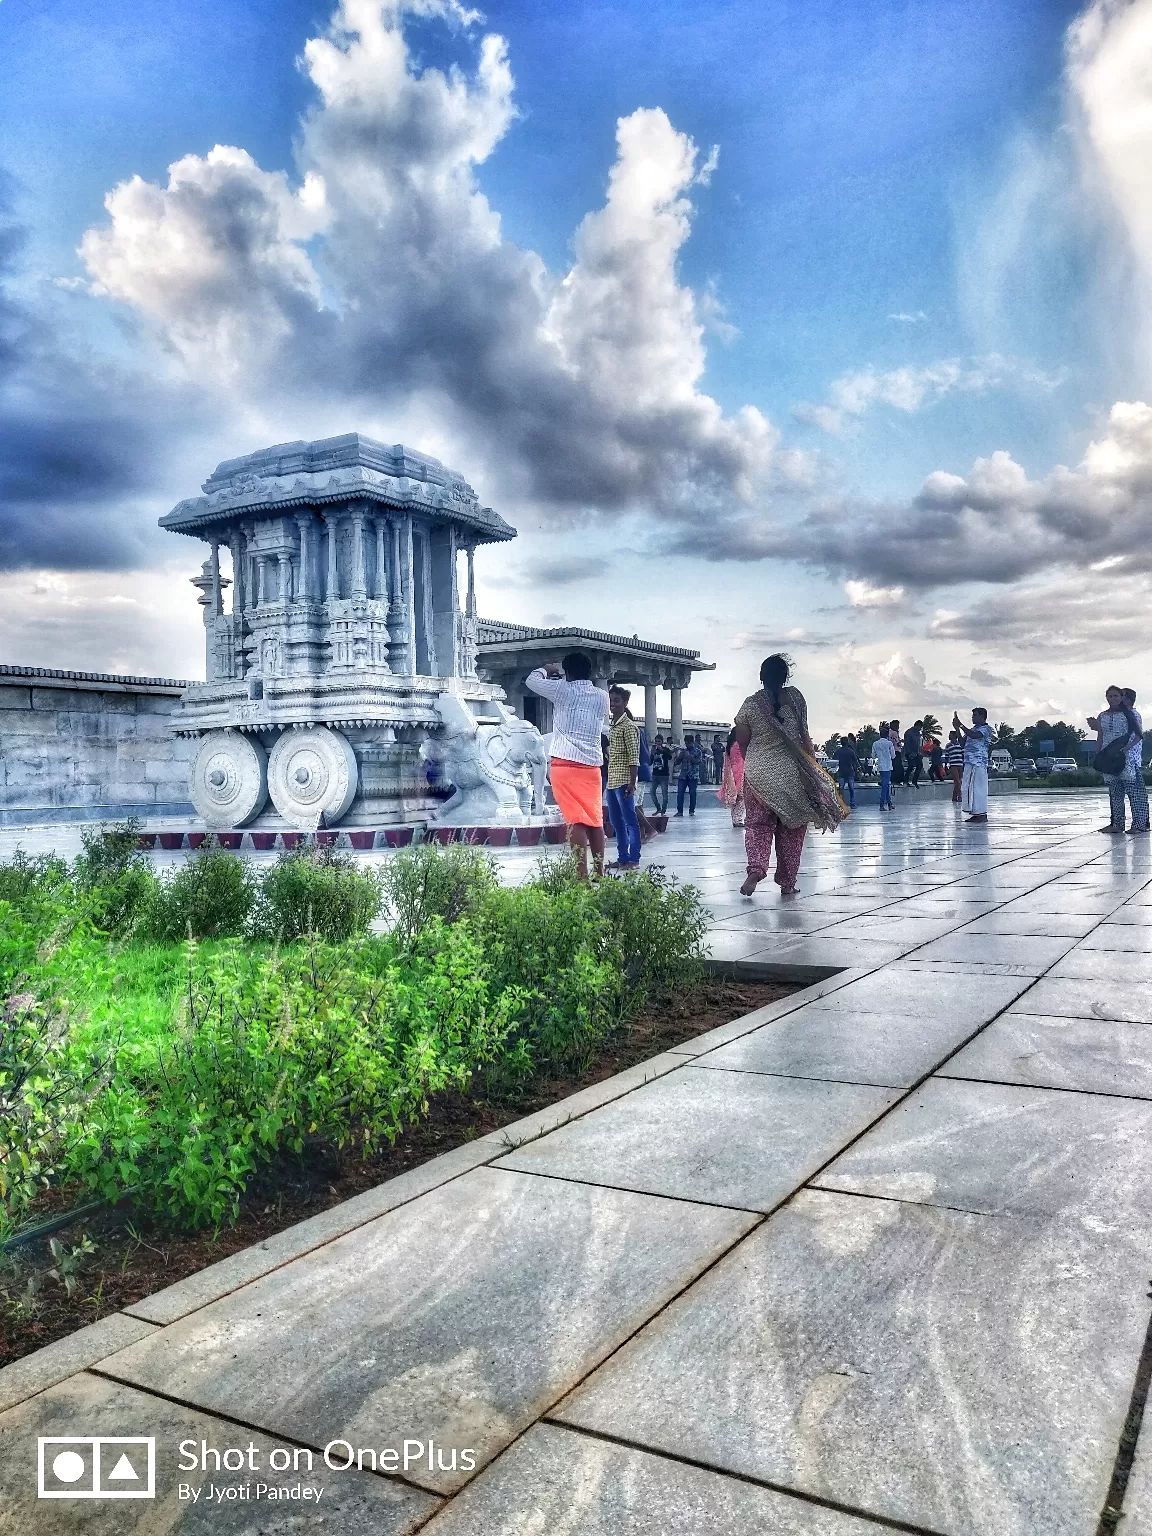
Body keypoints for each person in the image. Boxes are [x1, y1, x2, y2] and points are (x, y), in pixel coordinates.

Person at [731, 654, 848, 897]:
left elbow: (742, 743)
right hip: (792, 775)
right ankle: (787, 882)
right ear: (786, 677)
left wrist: (755, 762)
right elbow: (805, 736)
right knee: (793, 829)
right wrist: (812, 766)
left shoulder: (749, 705)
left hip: (758, 775)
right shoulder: (795, 698)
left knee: (757, 825)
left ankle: (756, 868)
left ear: (761, 676)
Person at [527, 653, 610, 879]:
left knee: (576, 819)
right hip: (593, 766)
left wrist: (546, 669)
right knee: (595, 819)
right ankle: (599, 871)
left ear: (568, 672)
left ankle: (581, 875)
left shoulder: (563, 690)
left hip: (565, 763)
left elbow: (531, 681)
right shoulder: (602, 696)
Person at [1088, 686, 1147, 834]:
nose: (1113, 699)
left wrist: (1126, 749)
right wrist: (1099, 753)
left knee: (1134, 792)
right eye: (1110, 696)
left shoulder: (1129, 714)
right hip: (1108, 756)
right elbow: (1101, 735)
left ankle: (1139, 825)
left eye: (1116, 696)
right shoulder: (1102, 715)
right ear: (1106, 697)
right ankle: (1117, 824)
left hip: (1126, 758)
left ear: (1121, 697)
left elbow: (1139, 735)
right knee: (1114, 791)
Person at [605, 685, 642, 870]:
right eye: (611, 701)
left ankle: (633, 860)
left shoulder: (629, 727)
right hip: (611, 782)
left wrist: (632, 782)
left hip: (624, 781)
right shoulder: (612, 726)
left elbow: (634, 757)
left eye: (617, 701)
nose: (613, 704)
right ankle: (622, 857)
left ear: (625, 703)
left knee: (630, 822)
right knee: (616, 822)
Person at [953, 707, 994, 822]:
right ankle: (976, 812)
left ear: (982, 716)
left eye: (975, 715)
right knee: (968, 787)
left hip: (979, 762)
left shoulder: (986, 729)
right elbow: (962, 743)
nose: (972, 718)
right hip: (969, 761)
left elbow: (975, 736)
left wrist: (961, 725)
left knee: (978, 788)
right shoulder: (973, 729)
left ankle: (981, 813)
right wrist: (957, 729)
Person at [718, 727, 746, 828]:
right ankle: (738, 819)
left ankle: (735, 818)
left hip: (733, 770)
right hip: (740, 770)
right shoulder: (738, 744)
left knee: (736, 797)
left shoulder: (730, 745)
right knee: (741, 797)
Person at [674, 734, 703, 816]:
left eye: (689, 743)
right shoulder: (683, 751)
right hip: (683, 775)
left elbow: (698, 762)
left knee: (692, 793)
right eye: (686, 743)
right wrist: (680, 756)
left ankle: (691, 811)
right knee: (680, 793)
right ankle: (680, 811)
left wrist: (689, 756)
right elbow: (677, 763)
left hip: (693, 776)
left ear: (692, 742)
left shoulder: (698, 751)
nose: (687, 745)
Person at [873, 723, 895, 810]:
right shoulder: (889, 744)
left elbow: (873, 756)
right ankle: (882, 804)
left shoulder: (875, 744)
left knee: (885, 785)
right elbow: (893, 756)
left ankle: (889, 803)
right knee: (885, 786)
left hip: (881, 767)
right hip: (888, 766)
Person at [835, 733, 860, 809]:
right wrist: (858, 769)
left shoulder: (838, 751)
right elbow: (856, 762)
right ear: (847, 742)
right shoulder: (851, 751)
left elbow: (834, 761)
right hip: (850, 772)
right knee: (851, 788)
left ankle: (840, 804)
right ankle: (852, 803)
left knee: (841, 788)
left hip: (841, 772)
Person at [650, 733, 672, 814]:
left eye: (659, 741)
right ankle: (658, 808)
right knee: (652, 792)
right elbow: (650, 762)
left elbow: (670, 757)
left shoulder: (666, 749)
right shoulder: (654, 750)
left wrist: (662, 750)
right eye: (656, 741)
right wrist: (652, 753)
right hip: (655, 774)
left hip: (664, 775)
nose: (657, 743)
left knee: (664, 794)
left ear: (662, 742)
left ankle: (663, 810)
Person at [944, 730, 965, 804]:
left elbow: (963, 754)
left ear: (954, 736)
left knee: (958, 782)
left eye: (950, 735)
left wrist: (964, 764)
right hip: (953, 765)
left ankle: (954, 797)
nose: (949, 736)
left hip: (960, 765)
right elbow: (946, 756)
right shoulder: (948, 745)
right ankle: (960, 796)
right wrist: (946, 766)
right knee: (957, 782)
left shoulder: (960, 744)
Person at [903, 720, 923, 788]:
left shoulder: (918, 733)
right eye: (920, 727)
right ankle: (905, 780)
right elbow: (907, 744)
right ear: (917, 726)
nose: (920, 729)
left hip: (916, 753)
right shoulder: (909, 733)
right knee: (911, 766)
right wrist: (909, 753)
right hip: (909, 752)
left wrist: (919, 752)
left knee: (919, 766)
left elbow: (918, 744)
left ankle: (914, 781)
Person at [889, 719, 905, 786]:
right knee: (898, 766)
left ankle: (894, 779)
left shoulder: (889, 733)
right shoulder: (894, 733)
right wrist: (900, 743)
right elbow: (896, 742)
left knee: (894, 766)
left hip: (892, 751)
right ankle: (898, 780)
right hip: (896, 750)